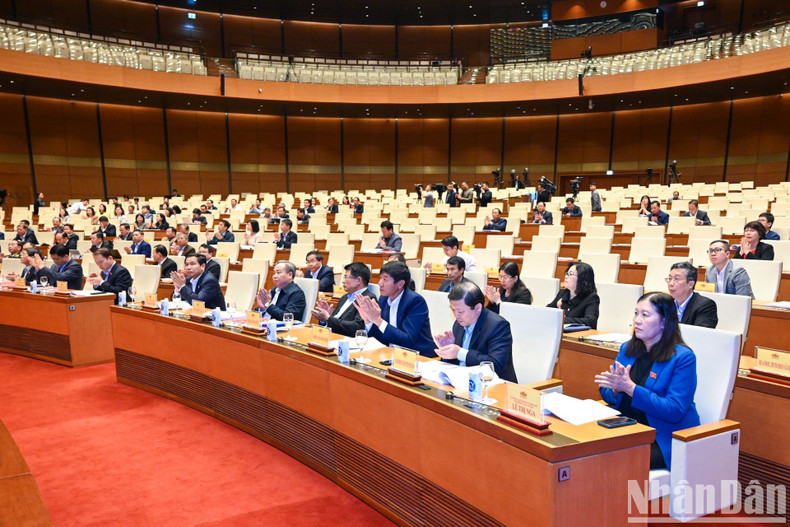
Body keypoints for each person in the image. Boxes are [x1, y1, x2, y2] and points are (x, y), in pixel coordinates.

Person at [596, 292, 700, 469]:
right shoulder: (627, 348)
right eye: (636, 313)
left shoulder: (683, 358)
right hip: (627, 426)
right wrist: (614, 390)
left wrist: (630, 388)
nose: (637, 320)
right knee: (582, 449)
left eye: (645, 315)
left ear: (664, 322)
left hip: (661, 436)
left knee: (610, 462)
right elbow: (607, 392)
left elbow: (674, 410)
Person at [434, 282, 517, 382]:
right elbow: (459, 363)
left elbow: (496, 364)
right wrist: (448, 351)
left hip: (493, 387)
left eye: (460, 311)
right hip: (463, 383)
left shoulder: (498, 326)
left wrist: (460, 353)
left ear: (478, 308)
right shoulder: (458, 324)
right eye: (453, 310)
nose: (456, 315)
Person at [354, 261, 436, 356]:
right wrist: (369, 321)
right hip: (393, 354)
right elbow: (381, 337)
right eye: (380, 278)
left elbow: (407, 340)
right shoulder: (384, 299)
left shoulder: (415, 301)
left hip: (419, 356)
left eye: (385, 279)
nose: (380, 283)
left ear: (400, 284)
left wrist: (378, 320)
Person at [312, 262, 377, 337]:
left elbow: (358, 327)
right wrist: (325, 317)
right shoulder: (344, 297)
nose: (343, 281)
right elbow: (334, 321)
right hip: (332, 336)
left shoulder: (368, 299)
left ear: (358, 280)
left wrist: (329, 318)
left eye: (346, 277)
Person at [547, 261, 600, 329]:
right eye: (567, 273)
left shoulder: (591, 298)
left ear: (582, 278)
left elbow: (590, 321)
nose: (566, 277)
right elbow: (548, 310)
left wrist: (562, 319)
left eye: (570, 274)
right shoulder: (563, 293)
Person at [667, 261, 718, 328]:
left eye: (677, 279)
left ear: (690, 284)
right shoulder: (665, 303)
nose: (671, 283)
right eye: (670, 278)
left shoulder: (706, 306)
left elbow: (700, 335)